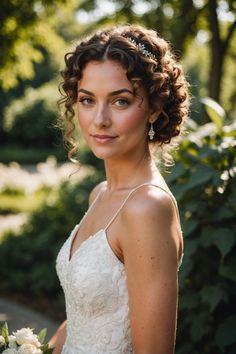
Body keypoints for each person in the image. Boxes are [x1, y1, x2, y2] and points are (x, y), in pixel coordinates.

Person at [49, 24, 189, 354]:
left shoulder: (147, 207)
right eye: (87, 100)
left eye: (120, 101)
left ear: (154, 107)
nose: (99, 120)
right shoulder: (100, 193)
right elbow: (86, 318)